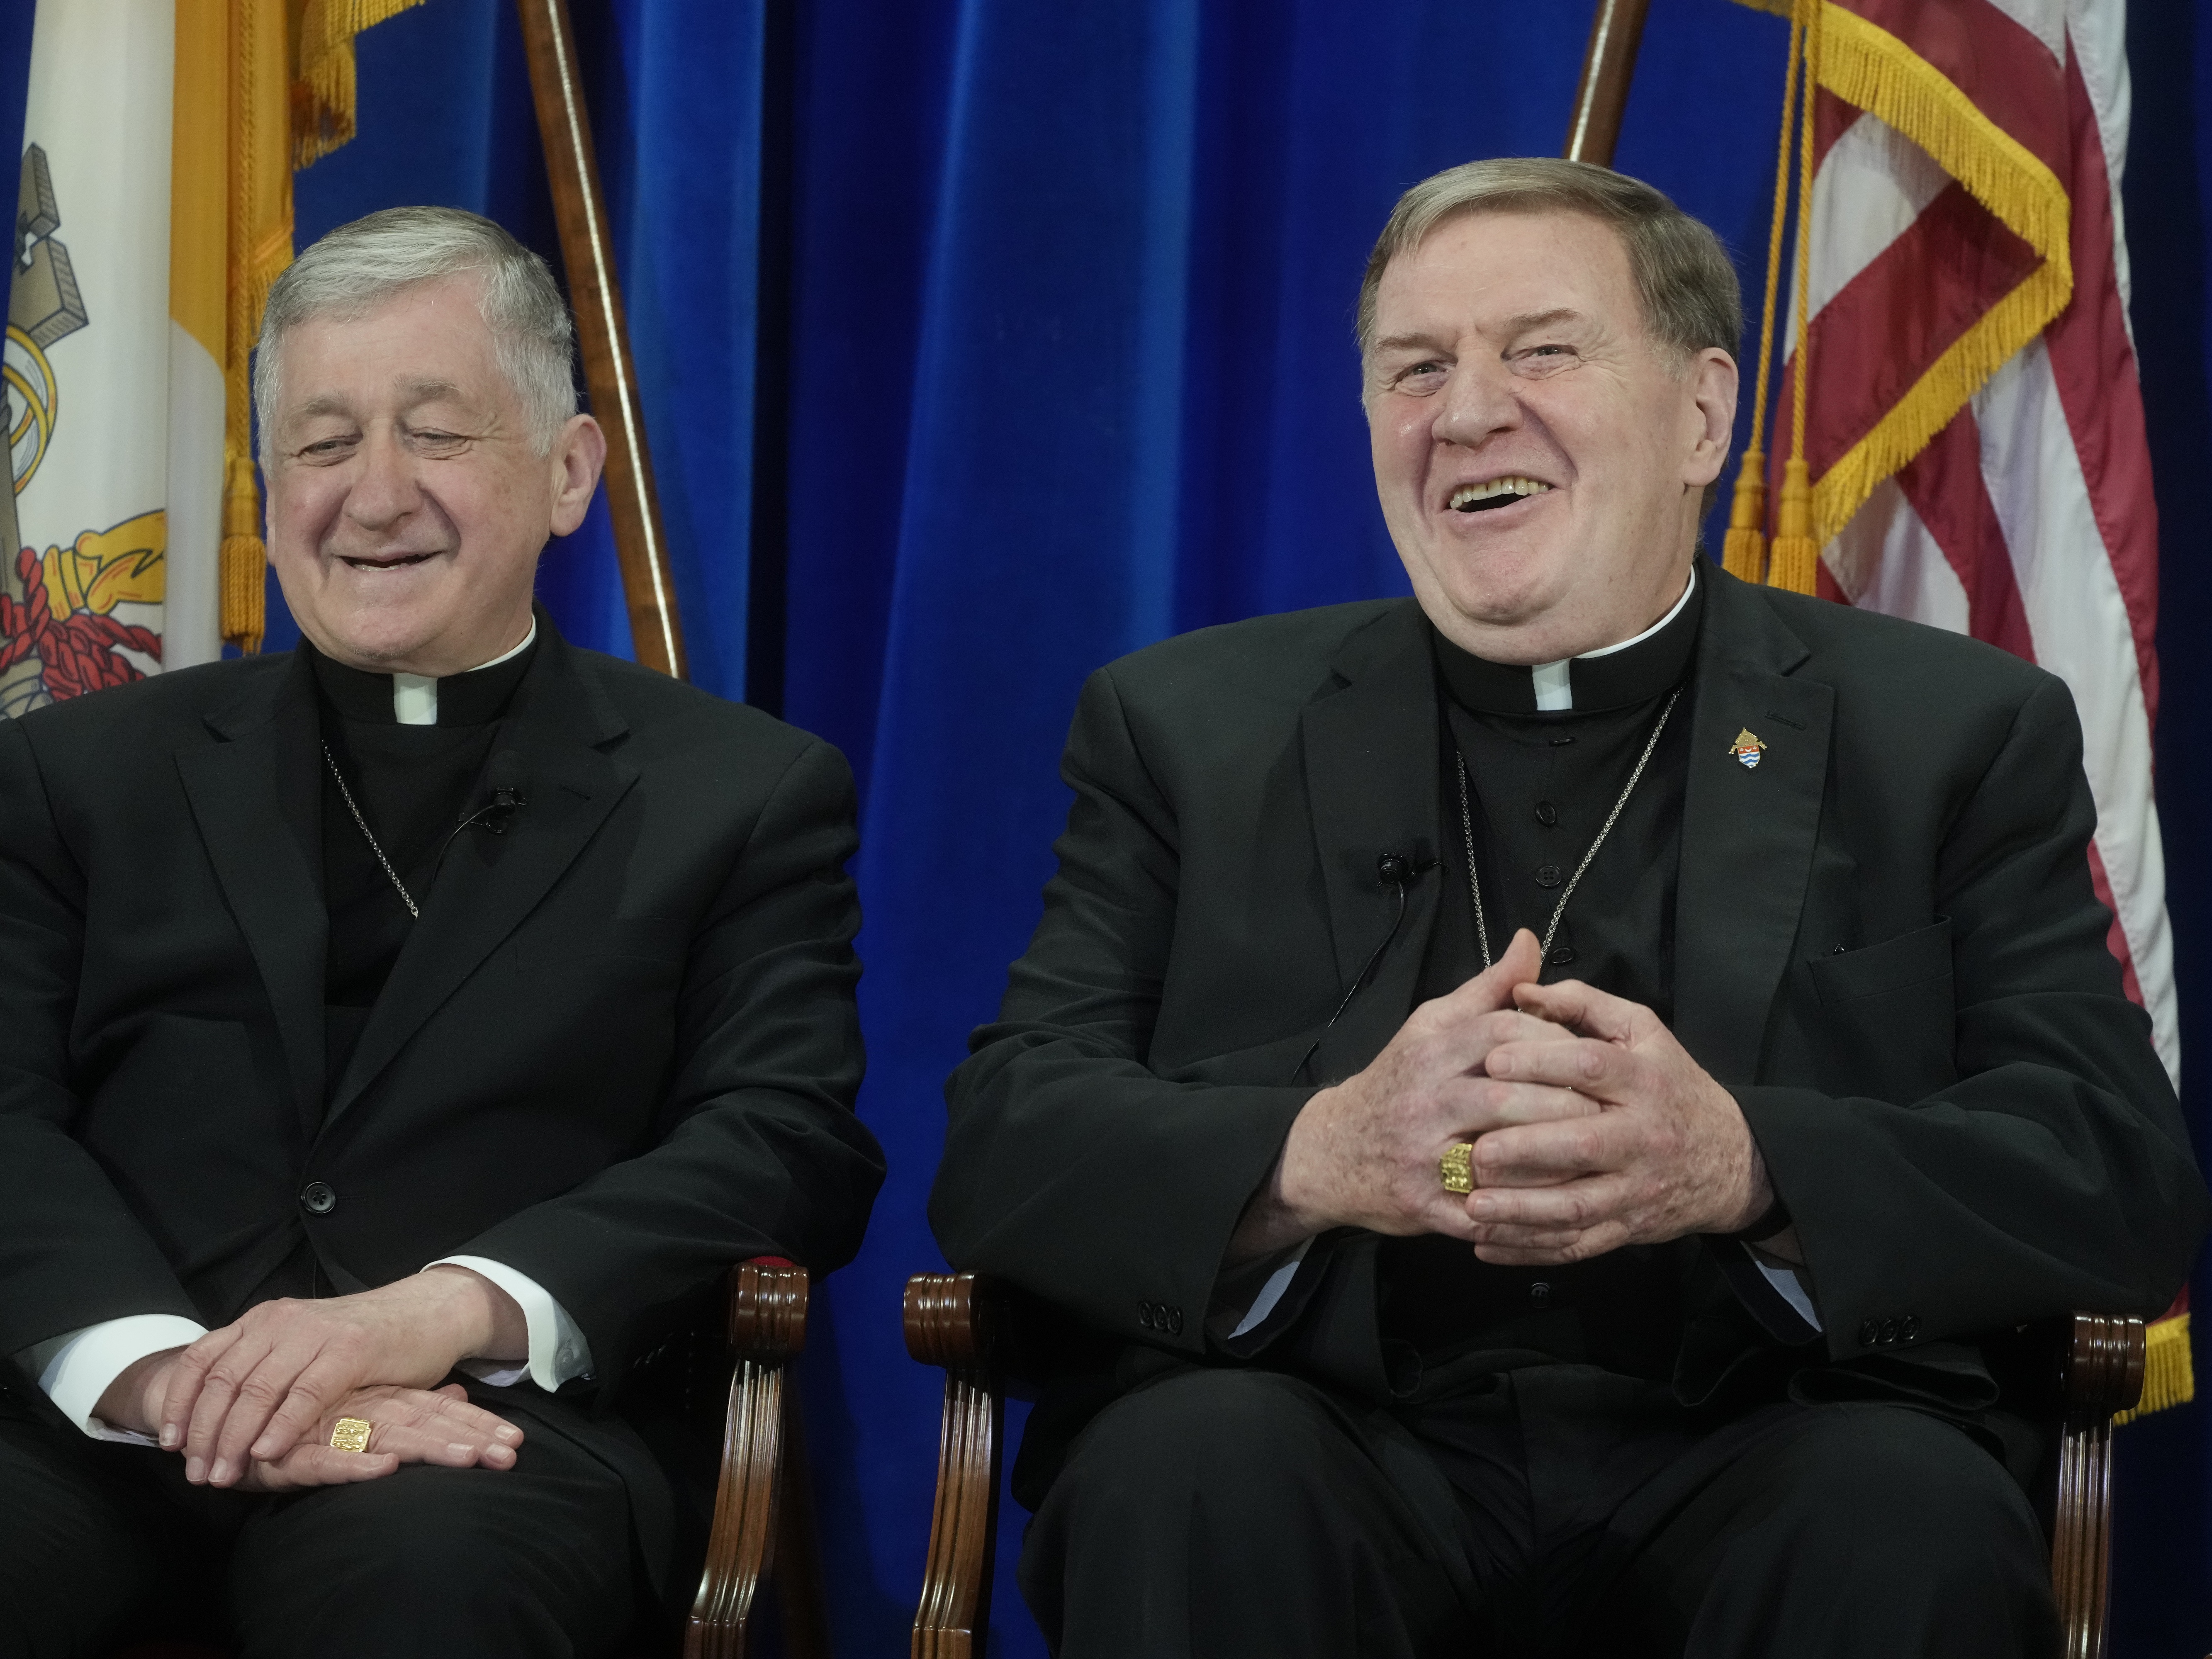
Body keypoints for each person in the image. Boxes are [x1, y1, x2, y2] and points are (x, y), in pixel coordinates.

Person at [930, 158, 2209, 1658]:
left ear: (1703, 416)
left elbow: (2117, 1174)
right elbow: (1007, 1140)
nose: (1468, 411)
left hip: (1779, 1436)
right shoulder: (1185, 729)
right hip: (1327, 1432)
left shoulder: (1951, 734)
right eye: (1417, 368)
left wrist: (1747, 1164)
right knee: (1185, 1473)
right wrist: (1314, 1155)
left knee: (1901, 1513)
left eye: (1541, 348)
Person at [0, 207, 883, 1657]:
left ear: (569, 472)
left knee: (426, 1608)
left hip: (484, 1435)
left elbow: (782, 1141)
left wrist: (439, 1314)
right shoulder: (74, 775)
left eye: (439, 432)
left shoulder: (739, 794)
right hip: (102, 1416)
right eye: (325, 441)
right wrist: (164, 1381)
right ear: (268, 480)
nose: (374, 495)